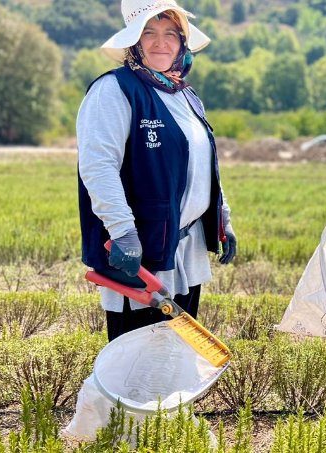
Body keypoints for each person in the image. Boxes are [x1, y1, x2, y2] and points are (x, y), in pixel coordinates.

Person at [77, 0, 237, 341]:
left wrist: (222, 217)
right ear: (134, 42)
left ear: (182, 43)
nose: (160, 43)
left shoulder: (185, 95)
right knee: (135, 354)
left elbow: (202, 162)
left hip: (185, 249)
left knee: (175, 352)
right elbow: (98, 166)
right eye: (148, 33)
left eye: (170, 34)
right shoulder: (114, 90)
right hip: (142, 250)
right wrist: (123, 231)